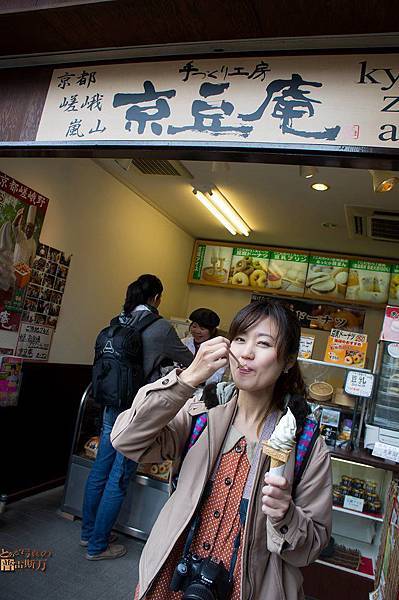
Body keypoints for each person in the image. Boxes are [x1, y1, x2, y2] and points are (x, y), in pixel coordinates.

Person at [111, 300, 332, 599]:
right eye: (240, 339)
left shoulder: (306, 443)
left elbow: (311, 547)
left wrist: (286, 516)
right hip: (173, 578)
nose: (246, 352)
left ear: (289, 361)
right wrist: (186, 379)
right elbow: (126, 439)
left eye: (263, 343)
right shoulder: (201, 413)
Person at [81, 274, 194, 561]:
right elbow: (191, 362)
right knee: (119, 476)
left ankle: (88, 534)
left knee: (100, 470)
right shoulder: (161, 328)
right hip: (136, 413)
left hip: (110, 404)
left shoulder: (117, 321)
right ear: (156, 297)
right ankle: (98, 545)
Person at [182, 307, 225, 385]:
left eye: (202, 329)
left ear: (212, 331)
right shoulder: (184, 342)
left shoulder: (218, 350)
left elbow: (216, 378)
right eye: (194, 326)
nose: (197, 331)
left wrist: (196, 376)